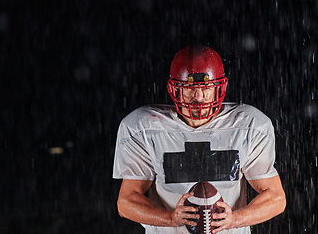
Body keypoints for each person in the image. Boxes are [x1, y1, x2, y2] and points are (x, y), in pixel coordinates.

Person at [112, 46, 286, 233]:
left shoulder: (248, 126)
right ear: (174, 89)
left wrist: (234, 219)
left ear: (219, 88)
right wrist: (170, 218)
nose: (199, 97)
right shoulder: (144, 128)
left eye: (206, 87)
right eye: (190, 88)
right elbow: (126, 202)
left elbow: (276, 199)